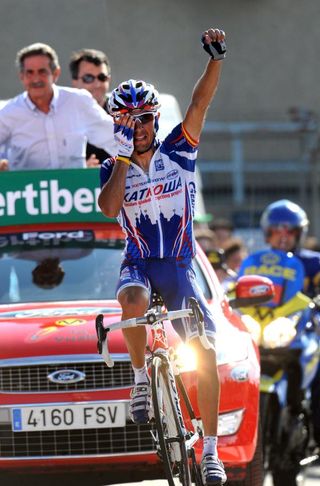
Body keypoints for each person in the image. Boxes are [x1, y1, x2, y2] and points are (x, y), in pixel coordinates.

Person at [98, 27, 227, 486]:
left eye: (144, 120)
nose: (138, 130)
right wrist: (117, 160)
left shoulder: (178, 149)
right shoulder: (113, 166)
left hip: (177, 265)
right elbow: (110, 209)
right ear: (117, 126)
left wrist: (214, 60)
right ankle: (138, 381)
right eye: (127, 123)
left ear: (155, 119)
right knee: (130, 298)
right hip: (140, 259)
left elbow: (198, 105)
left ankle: (211, 452)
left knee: (205, 353)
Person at [259, 199, 320, 449]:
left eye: (290, 231)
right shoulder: (259, 262)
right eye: (276, 231)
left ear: (300, 233)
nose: (283, 237)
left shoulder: (314, 262)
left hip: (304, 331)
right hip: (267, 332)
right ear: (267, 233)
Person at [0, 42, 117, 171]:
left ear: (56, 73)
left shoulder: (78, 102)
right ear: (21, 76)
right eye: (30, 73)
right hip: (28, 189)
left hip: (75, 189)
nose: (36, 79)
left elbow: (115, 139)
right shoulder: (9, 113)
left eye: (42, 72)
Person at [69, 48, 112, 167]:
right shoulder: (62, 115)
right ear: (74, 81)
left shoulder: (123, 112)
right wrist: (82, 167)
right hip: (76, 185)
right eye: (89, 78)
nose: (97, 84)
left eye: (102, 77)